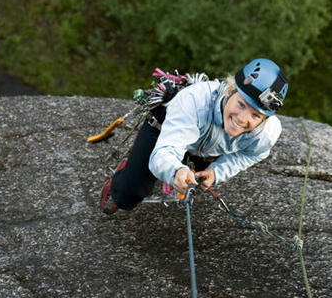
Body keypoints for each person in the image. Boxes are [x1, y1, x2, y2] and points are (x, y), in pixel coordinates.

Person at [100, 57, 288, 214]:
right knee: (128, 195)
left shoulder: (266, 133)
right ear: (231, 91)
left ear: (265, 119)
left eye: (255, 115)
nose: (242, 119)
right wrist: (176, 171)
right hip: (167, 126)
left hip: (207, 147)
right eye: (241, 104)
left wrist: (217, 171)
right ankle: (124, 174)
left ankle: (187, 163)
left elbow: (252, 154)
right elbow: (166, 151)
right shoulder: (194, 102)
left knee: (196, 182)